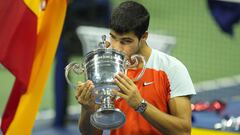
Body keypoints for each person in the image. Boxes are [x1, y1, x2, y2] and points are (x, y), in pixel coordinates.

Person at [75, 1, 196, 135]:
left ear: (144, 36)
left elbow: (184, 132)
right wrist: (88, 110)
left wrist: (140, 105)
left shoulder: (172, 68)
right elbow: (91, 133)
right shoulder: (107, 67)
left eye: (126, 41)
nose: (117, 47)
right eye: (113, 38)